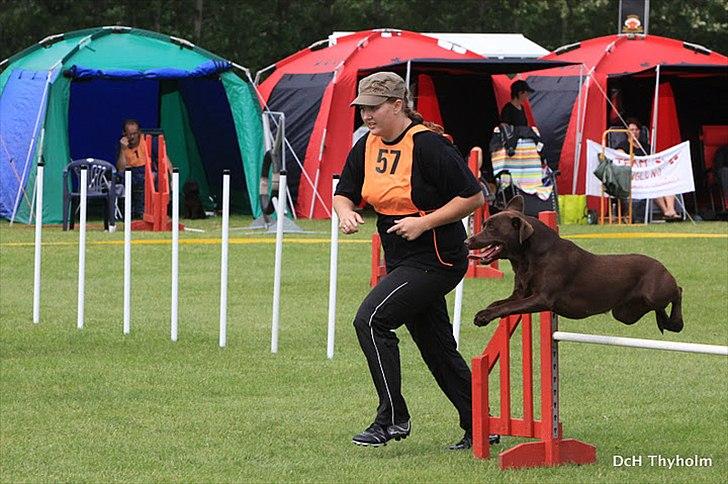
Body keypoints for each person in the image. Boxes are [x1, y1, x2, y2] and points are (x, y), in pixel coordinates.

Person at [333, 71, 495, 451]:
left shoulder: (430, 146)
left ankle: (392, 419)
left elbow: (474, 197)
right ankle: (480, 425)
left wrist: (424, 222)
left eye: (373, 108)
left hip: (437, 256)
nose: (367, 116)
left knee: (371, 320)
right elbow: (344, 193)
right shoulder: (367, 145)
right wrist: (345, 213)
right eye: (362, 109)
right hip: (401, 254)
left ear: (396, 104)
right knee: (435, 345)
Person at [617, 118, 680, 221]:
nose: (634, 132)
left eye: (637, 129)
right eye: (631, 130)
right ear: (626, 132)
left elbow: (655, 160)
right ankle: (666, 211)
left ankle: (671, 210)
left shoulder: (646, 147)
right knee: (652, 185)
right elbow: (621, 160)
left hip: (649, 175)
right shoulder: (622, 146)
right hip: (635, 178)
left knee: (667, 181)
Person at [116, 119, 148, 218]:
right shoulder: (122, 145)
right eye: (130, 134)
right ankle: (128, 212)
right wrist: (123, 149)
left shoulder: (148, 141)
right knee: (122, 177)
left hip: (145, 172)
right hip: (129, 174)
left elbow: (164, 158)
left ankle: (140, 212)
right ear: (124, 133)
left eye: (135, 133)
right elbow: (120, 169)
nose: (132, 137)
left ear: (139, 132)